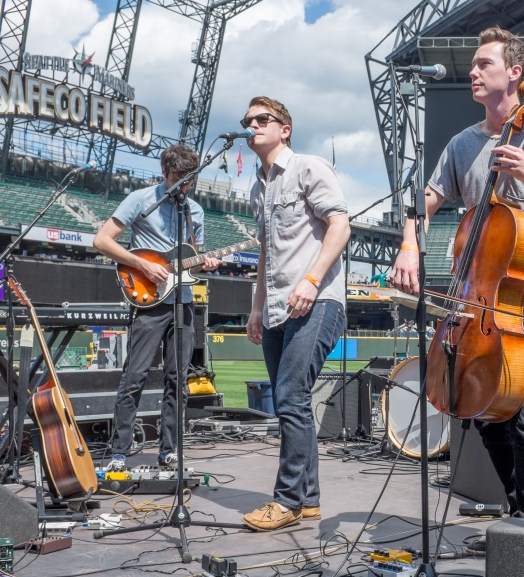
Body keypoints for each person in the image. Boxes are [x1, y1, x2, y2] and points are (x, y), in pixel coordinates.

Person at [390, 27, 524, 519]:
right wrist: (408, 243)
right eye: (474, 65)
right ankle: (519, 510)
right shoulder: (463, 144)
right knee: (481, 410)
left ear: (515, 73)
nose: (473, 71)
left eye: (485, 63)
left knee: (523, 412)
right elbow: (425, 202)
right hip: (477, 302)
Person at [241, 95, 351, 531]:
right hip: (275, 307)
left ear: (284, 129)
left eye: (262, 119)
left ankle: (285, 502)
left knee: (289, 397)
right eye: (247, 121)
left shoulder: (309, 168)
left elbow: (340, 226)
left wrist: (310, 281)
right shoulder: (258, 187)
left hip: (318, 300)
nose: (253, 126)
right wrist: (255, 308)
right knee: (294, 403)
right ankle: (307, 501)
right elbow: (268, 254)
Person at [94, 144, 220, 472]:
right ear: (166, 172)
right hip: (149, 301)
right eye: (179, 178)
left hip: (183, 302)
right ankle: (119, 450)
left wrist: (206, 263)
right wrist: (142, 265)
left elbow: (191, 260)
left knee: (178, 379)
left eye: (190, 179)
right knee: (134, 376)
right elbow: (102, 240)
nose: (185, 185)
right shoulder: (141, 199)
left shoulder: (196, 212)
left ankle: (170, 450)